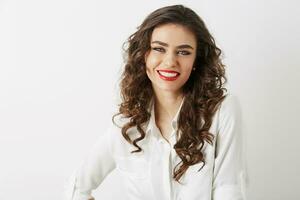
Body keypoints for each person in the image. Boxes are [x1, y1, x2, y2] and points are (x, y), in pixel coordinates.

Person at [64, 4, 248, 200]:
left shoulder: (222, 111)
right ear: (144, 55)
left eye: (184, 52)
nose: (170, 62)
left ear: (196, 61)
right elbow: (76, 188)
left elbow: (230, 190)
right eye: (159, 49)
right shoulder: (126, 126)